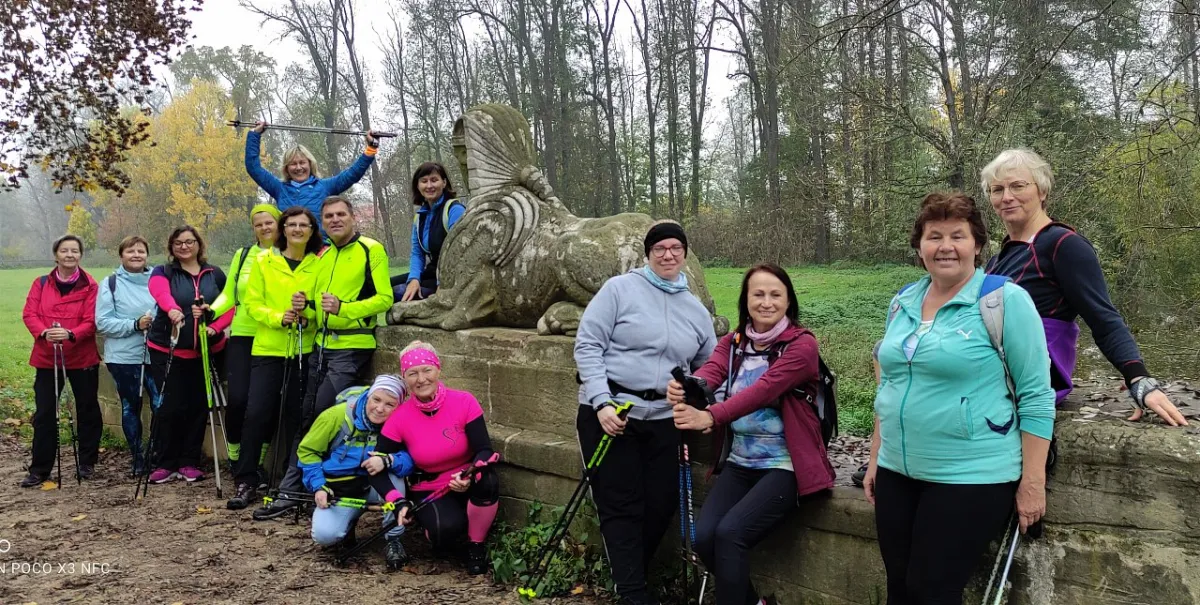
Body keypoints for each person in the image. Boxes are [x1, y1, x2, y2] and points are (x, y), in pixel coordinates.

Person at [862, 192, 1055, 604]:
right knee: (899, 587)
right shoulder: (903, 301)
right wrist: (876, 455)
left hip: (970, 474)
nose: (945, 246)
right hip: (897, 470)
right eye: (934, 236)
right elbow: (889, 385)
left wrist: (1032, 483)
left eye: (957, 236)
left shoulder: (1003, 301)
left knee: (931, 591)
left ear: (977, 245)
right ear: (919, 247)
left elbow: (1037, 395)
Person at [981, 148, 1189, 426]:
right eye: (997, 190)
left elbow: (1103, 318)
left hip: (1030, 378)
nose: (1007, 196)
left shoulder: (1063, 245)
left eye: (1018, 186)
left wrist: (1138, 378)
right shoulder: (998, 260)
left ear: (1042, 191)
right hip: (991, 370)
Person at [668, 263, 833, 605]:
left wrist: (710, 416)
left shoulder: (802, 346)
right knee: (705, 538)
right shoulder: (733, 343)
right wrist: (686, 387)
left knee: (731, 534)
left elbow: (763, 390)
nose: (766, 302)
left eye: (776, 295)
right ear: (746, 299)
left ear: (789, 301)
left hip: (786, 466)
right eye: (758, 294)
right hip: (741, 462)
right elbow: (710, 372)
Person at [573, 221, 718, 605]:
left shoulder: (695, 310)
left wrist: (696, 394)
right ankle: (634, 594)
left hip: (664, 418)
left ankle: (629, 578)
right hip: (613, 413)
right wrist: (601, 401)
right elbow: (588, 344)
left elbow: (709, 369)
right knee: (622, 505)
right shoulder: (619, 290)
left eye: (675, 248)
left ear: (684, 253)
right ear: (648, 253)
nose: (668, 255)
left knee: (660, 504)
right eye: (659, 249)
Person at [253, 195, 393, 520]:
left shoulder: (371, 249)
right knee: (306, 416)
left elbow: (384, 298)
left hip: (351, 346)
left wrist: (345, 308)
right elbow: (320, 307)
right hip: (319, 346)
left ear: (353, 217)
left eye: (340, 214)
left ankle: (298, 490)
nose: (335, 220)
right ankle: (297, 489)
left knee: (319, 416)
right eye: (328, 216)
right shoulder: (325, 255)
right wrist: (305, 309)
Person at [373, 342, 500, 575]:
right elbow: (375, 467)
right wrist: (397, 501)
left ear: (438, 370)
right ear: (405, 378)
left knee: (488, 479)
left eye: (427, 370)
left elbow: (484, 449)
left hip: (466, 475)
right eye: (412, 373)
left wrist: (468, 475)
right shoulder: (399, 417)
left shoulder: (464, 401)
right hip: (430, 487)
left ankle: (476, 546)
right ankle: (440, 526)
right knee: (445, 533)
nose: (421, 379)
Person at [227, 207, 324, 510]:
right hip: (268, 348)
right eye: (291, 224)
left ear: (312, 230)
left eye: (304, 225)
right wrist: (278, 317)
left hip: (303, 349)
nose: (297, 229)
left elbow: (321, 306)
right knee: (256, 413)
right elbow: (252, 303)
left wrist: (307, 314)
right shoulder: (264, 261)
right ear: (283, 229)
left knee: (297, 416)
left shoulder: (319, 263)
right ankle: (246, 478)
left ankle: (289, 481)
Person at [145, 226, 233, 484]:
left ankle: (189, 461)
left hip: (205, 350)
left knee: (198, 407)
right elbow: (160, 292)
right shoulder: (163, 271)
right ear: (171, 247)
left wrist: (216, 327)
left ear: (198, 244)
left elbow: (231, 304)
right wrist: (172, 310)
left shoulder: (215, 274)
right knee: (169, 407)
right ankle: (166, 461)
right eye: (178, 243)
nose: (184, 247)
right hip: (168, 349)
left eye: (189, 241)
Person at [299, 374, 414, 569]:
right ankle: (348, 522)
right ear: (368, 396)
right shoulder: (335, 416)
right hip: (340, 488)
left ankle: (394, 539)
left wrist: (388, 460)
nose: (380, 409)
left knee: (396, 475)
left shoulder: (399, 424)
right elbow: (307, 452)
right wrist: (318, 486)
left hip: (377, 485)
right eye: (376, 399)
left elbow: (411, 459)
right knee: (325, 536)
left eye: (389, 404)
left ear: (398, 407)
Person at [20, 235, 103, 487]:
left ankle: (87, 462)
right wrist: (44, 332)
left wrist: (71, 333)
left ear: (80, 255)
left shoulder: (91, 285)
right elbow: (30, 314)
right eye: (64, 250)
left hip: (81, 356)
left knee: (87, 409)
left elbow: (91, 320)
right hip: (48, 357)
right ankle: (40, 468)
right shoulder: (41, 283)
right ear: (56, 255)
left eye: (74, 251)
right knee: (45, 412)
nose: (69, 255)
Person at [210, 204, 281, 478]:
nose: (264, 228)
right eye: (258, 224)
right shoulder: (243, 255)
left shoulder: (289, 255)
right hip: (242, 334)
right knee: (238, 399)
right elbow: (229, 295)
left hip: (274, 334)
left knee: (266, 403)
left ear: (279, 224)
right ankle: (234, 456)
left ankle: (257, 461)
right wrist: (210, 311)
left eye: (269, 222)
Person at [94, 235, 161, 477]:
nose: (136, 255)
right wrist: (134, 324)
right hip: (123, 358)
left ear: (147, 255)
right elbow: (102, 322)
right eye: (130, 251)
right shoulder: (110, 284)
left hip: (156, 354)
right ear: (121, 255)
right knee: (131, 406)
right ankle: (138, 457)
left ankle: (156, 453)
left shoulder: (159, 280)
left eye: (141, 251)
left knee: (161, 405)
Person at [243, 121, 378, 234]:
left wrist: (371, 149)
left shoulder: (325, 186)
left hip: (320, 249)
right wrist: (255, 135)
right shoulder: (279, 188)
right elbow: (254, 168)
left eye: (302, 162)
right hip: (290, 249)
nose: (298, 167)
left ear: (310, 164)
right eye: (293, 164)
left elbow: (352, 175)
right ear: (286, 168)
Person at [389, 162, 466, 302]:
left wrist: (442, 285)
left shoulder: (455, 210)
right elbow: (417, 253)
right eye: (424, 181)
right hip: (431, 272)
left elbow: (458, 253)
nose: (429, 186)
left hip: (453, 276)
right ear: (418, 186)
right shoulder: (420, 217)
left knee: (398, 293)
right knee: (382, 287)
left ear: (444, 183)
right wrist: (414, 279)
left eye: (434, 180)